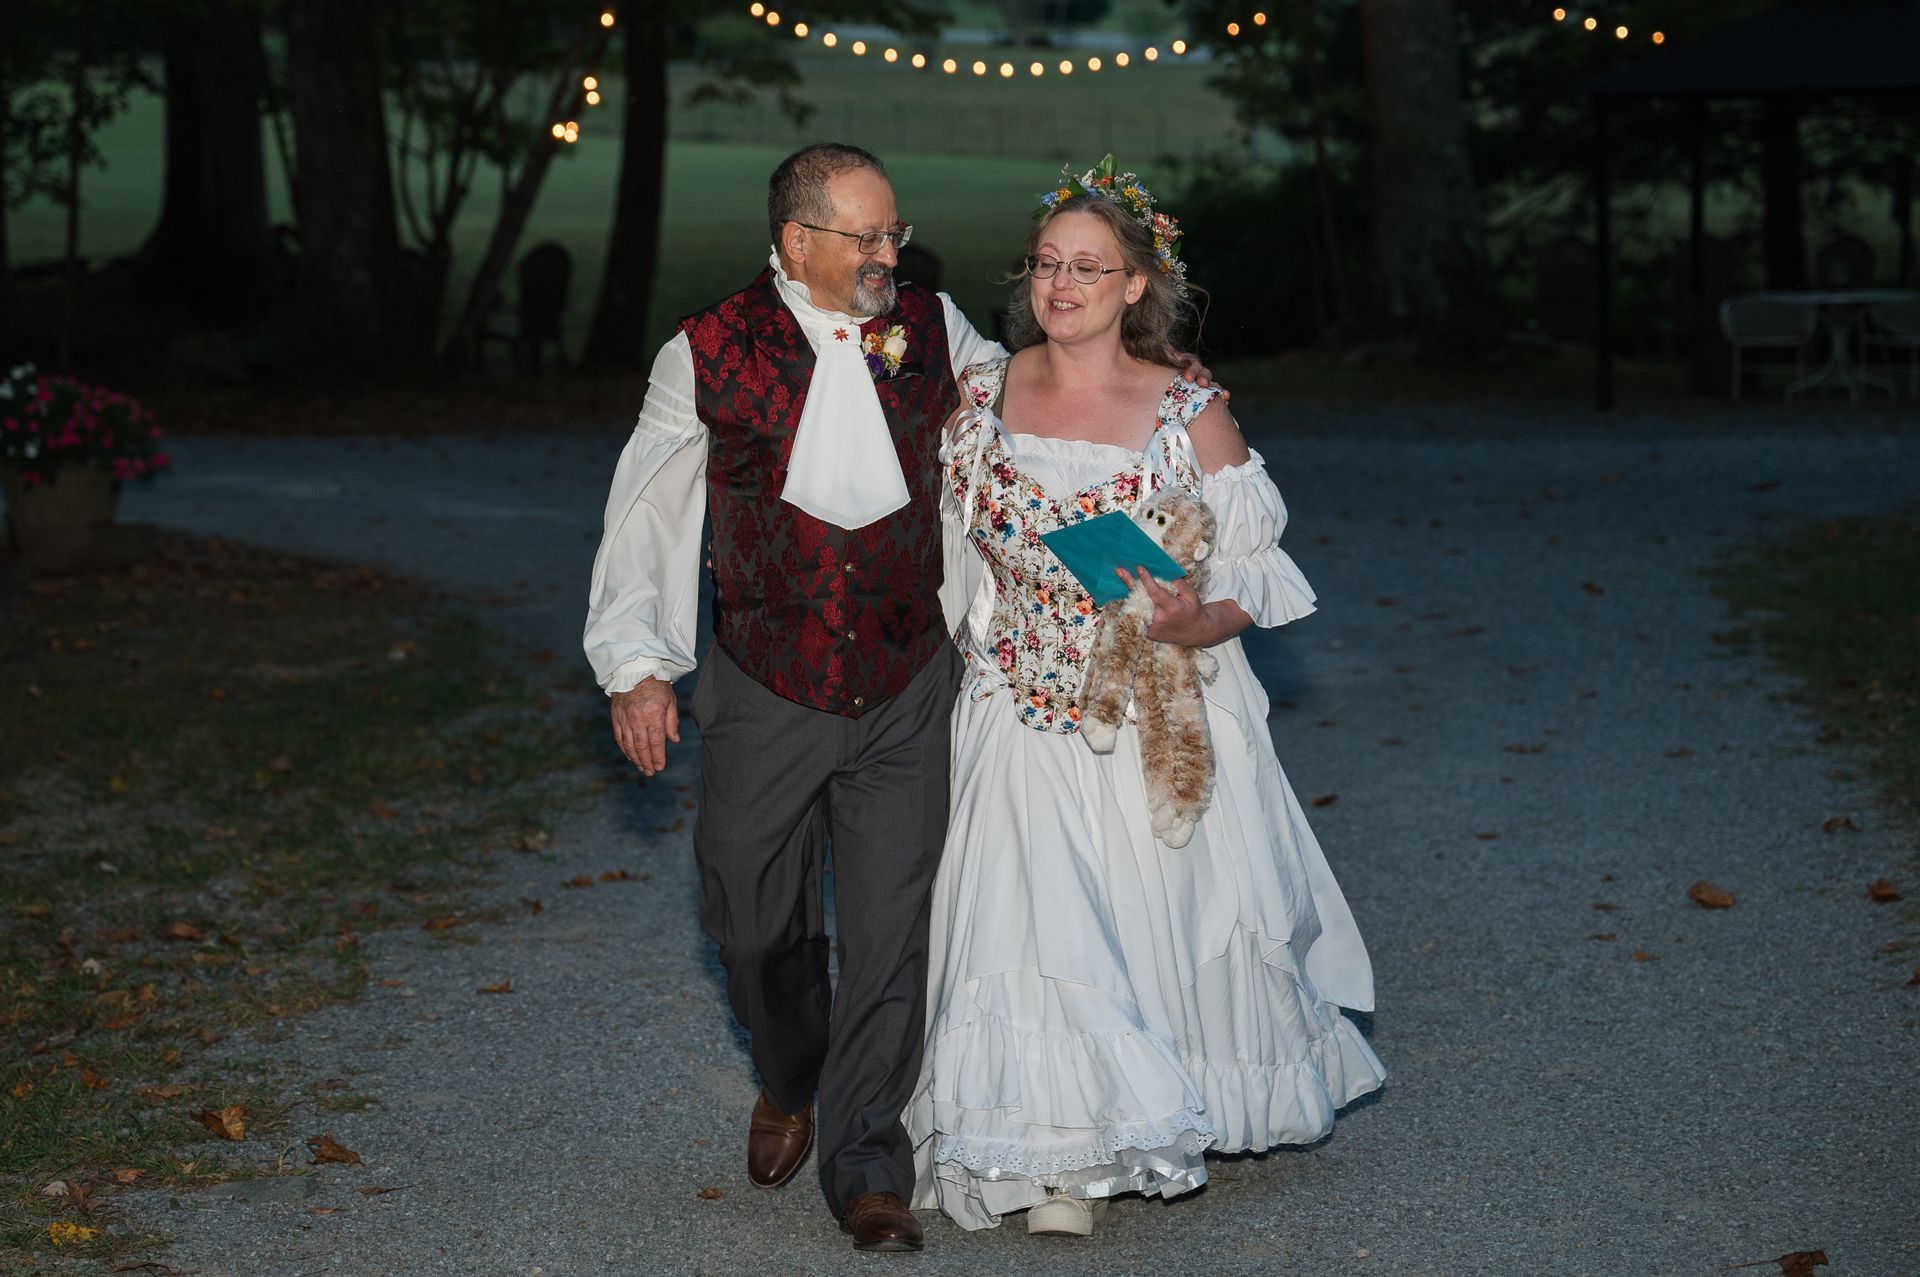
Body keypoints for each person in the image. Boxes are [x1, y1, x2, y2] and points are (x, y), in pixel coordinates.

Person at [906, 158, 1387, 1236]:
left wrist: (1192, 619)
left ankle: (1159, 1094)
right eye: (1046, 264)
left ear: (1136, 284)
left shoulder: (1188, 410)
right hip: (1018, 704)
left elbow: (1259, 574)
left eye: (1089, 267)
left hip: (1154, 707)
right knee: (1031, 920)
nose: (1061, 284)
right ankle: (1058, 1154)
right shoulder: (976, 396)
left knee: (1152, 910)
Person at [582, 143, 1003, 1253]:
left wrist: (1153, 381)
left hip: (910, 679)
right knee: (751, 919)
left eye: (893, 234)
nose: (886, 255)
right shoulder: (709, 350)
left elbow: (1033, 425)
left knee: (888, 931)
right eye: (864, 237)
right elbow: (654, 510)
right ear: (795, 241)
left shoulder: (938, 326)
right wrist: (638, 663)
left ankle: (869, 1162)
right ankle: (789, 1072)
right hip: (767, 683)